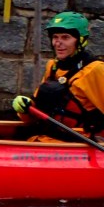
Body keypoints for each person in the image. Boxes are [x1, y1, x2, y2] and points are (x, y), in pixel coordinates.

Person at [12, 11, 104, 142]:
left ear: (81, 40)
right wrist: (25, 108)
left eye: (65, 37)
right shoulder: (53, 66)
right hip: (44, 138)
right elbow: (36, 111)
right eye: (55, 37)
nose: (58, 43)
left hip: (78, 146)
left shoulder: (95, 70)